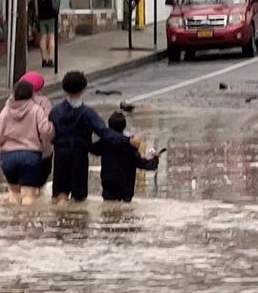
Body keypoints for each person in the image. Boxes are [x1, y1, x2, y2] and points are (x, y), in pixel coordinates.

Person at [49, 70, 142, 203]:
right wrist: (127, 140)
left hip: (60, 155)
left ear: (64, 88)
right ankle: (77, 222)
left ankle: (60, 220)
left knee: (60, 195)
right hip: (79, 156)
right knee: (79, 197)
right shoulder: (87, 113)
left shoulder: (55, 111)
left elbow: (49, 132)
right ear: (83, 89)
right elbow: (104, 132)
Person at [0, 79, 55, 206]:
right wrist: (50, 134)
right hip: (30, 155)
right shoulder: (36, 110)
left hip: (8, 156)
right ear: (31, 94)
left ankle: (14, 221)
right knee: (28, 195)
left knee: (14, 193)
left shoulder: (5, 111)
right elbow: (45, 130)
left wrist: (3, 146)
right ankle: (26, 221)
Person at [91, 111, 159, 202]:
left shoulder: (104, 142)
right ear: (124, 126)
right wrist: (154, 159)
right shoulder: (130, 145)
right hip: (125, 186)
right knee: (125, 210)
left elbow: (93, 149)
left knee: (109, 209)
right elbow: (142, 163)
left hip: (108, 183)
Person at [20, 71, 53, 187]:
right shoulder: (44, 102)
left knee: (22, 186)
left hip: (18, 151)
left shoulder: (12, 102)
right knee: (37, 185)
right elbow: (46, 126)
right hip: (41, 151)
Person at [32, 0, 57, 68]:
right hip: (51, 15)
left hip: (41, 16)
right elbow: (56, 2)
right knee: (51, 37)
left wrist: (37, 15)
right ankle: (50, 59)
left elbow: (35, 3)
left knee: (43, 37)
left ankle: (43, 60)